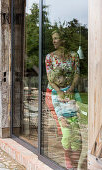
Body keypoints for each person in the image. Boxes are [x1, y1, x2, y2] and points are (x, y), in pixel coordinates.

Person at [45, 30, 82, 169]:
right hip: (54, 94)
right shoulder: (49, 57)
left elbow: (77, 73)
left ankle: (77, 163)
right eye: (52, 38)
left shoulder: (73, 55)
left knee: (75, 130)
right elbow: (50, 78)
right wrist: (60, 91)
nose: (54, 41)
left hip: (71, 93)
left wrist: (71, 88)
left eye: (56, 38)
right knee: (64, 128)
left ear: (63, 40)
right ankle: (68, 164)